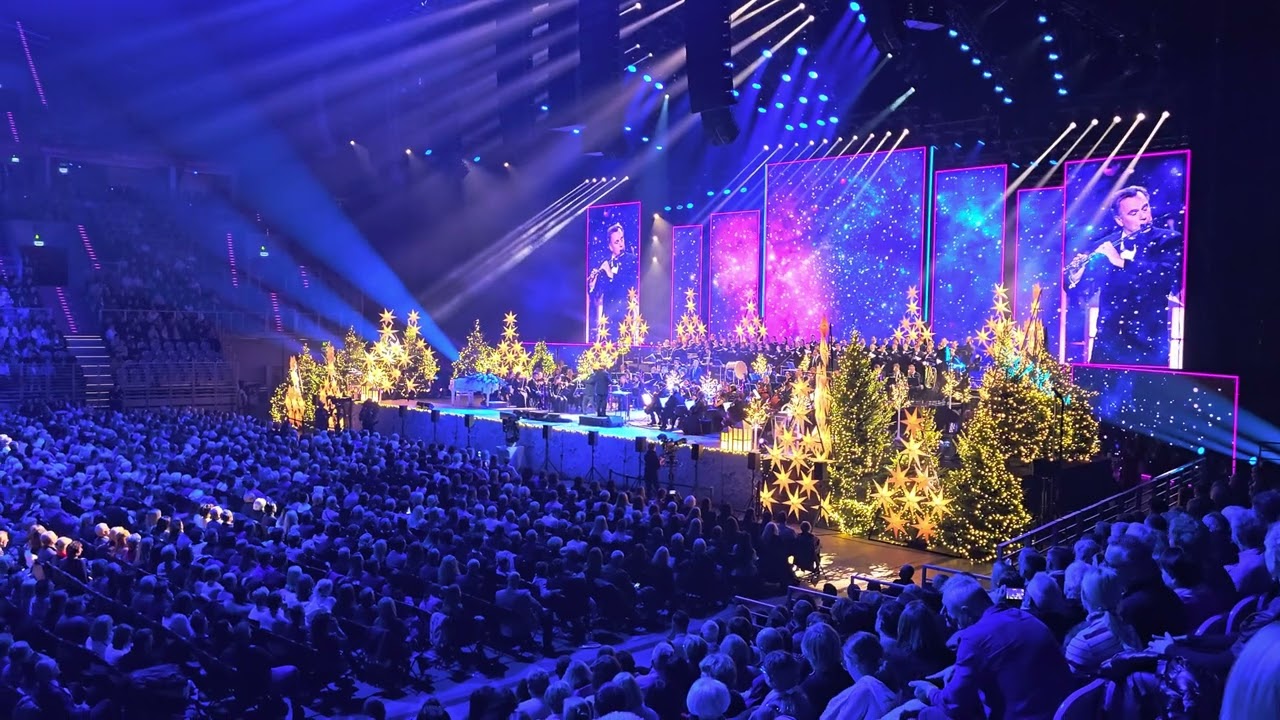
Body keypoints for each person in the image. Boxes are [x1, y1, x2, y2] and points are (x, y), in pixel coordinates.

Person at [903, 575, 1073, 720]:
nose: (946, 619)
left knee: (925, 713)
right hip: (1056, 712)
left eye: (949, 612)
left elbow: (953, 704)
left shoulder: (974, 637)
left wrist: (929, 691)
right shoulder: (1026, 617)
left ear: (966, 612)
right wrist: (956, 668)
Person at [1065, 185, 1183, 366]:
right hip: (1108, 344)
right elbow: (1082, 294)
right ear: (1120, 220)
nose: (1143, 216)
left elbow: (1164, 279)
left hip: (1148, 345)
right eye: (1133, 213)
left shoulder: (1169, 239)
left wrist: (1120, 261)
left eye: (1145, 208)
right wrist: (1076, 275)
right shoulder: (1104, 244)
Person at [588, 222, 635, 334]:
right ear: (610, 246)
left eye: (622, 239)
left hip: (625, 314)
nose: (621, 244)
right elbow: (597, 295)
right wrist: (592, 285)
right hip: (608, 317)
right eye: (616, 242)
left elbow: (625, 286)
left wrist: (610, 274)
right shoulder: (605, 262)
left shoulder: (631, 259)